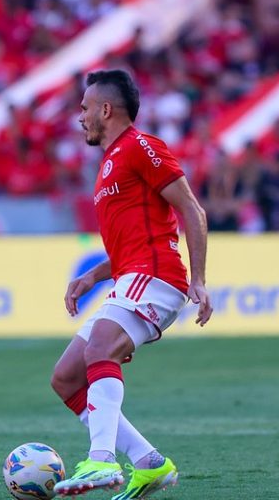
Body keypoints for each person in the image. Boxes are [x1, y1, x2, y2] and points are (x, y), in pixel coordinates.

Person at [50, 69, 213, 499]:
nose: (80, 117)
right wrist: (90, 276)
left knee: (100, 348)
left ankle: (101, 460)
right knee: (66, 378)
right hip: (131, 274)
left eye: (85, 108)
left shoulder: (141, 147)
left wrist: (198, 278)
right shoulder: (109, 163)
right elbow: (128, 243)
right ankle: (148, 463)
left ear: (106, 109)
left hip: (156, 277)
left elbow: (191, 210)